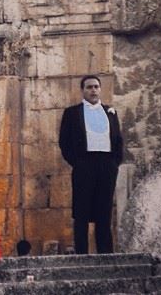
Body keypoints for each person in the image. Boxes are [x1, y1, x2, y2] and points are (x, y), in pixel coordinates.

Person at [59, 74, 124, 254]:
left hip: (107, 164)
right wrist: (77, 163)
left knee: (104, 210)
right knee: (81, 210)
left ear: (100, 89)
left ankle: (106, 253)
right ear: (82, 90)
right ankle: (82, 253)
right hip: (84, 164)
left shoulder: (110, 112)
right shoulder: (72, 113)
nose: (93, 90)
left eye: (96, 87)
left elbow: (118, 140)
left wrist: (114, 163)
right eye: (89, 87)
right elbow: (64, 142)